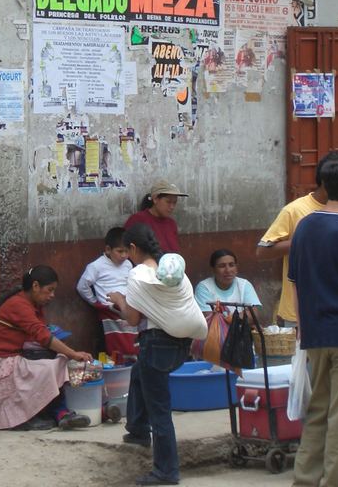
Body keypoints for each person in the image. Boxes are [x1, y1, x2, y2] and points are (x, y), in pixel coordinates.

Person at [109, 225, 207, 486]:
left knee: (160, 411)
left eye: (128, 251)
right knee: (139, 372)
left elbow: (132, 318)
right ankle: (138, 429)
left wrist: (119, 300)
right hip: (182, 342)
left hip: (157, 342)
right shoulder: (173, 271)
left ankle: (166, 471)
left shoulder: (138, 275)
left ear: (133, 248)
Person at [288, 154, 338, 487]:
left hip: (313, 335)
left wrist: (302, 328)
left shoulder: (304, 227)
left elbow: (295, 282)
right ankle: (334, 481)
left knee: (317, 411)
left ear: (323, 186)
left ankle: (305, 479)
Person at [0, 265, 93, 431]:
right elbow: (43, 336)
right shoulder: (19, 305)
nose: (52, 296)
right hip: (2, 364)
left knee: (57, 361)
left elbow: (40, 333)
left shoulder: (32, 305)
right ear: (35, 286)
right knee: (55, 365)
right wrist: (73, 353)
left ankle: (58, 412)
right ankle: (33, 416)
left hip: (14, 359)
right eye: (49, 290)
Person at [256, 150, 338, 326]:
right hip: (298, 313)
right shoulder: (294, 210)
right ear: (327, 181)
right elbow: (262, 252)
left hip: (332, 310)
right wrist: (303, 242)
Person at [76, 226, 138, 358]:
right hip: (108, 310)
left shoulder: (128, 264)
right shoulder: (96, 266)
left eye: (126, 251)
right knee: (111, 342)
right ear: (108, 250)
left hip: (127, 306)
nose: (123, 256)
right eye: (119, 251)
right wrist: (94, 302)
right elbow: (82, 286)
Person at [124, 180, 187, 254]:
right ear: (155, 199)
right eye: (168, 202)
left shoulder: (171, 223)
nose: (172, 207)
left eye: (174, 202)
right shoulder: (137, 220)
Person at [194, 249, 261, 316]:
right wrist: (237, 319)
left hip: (241, 326)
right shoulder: (204, 287)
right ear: (213, 269)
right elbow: (208, 318)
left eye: (231, 265)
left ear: (236, 268)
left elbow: (253, 314)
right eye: (222, 266)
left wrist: (227, 320)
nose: (228, 270)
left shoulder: (244, 285)